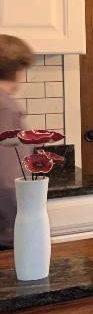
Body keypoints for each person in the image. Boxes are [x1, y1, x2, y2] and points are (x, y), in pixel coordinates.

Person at [0, 35, 34, 250]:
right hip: (4, 230)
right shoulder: (6, 109)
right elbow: (8, 177)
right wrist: (24, 225)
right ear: (18, 69)